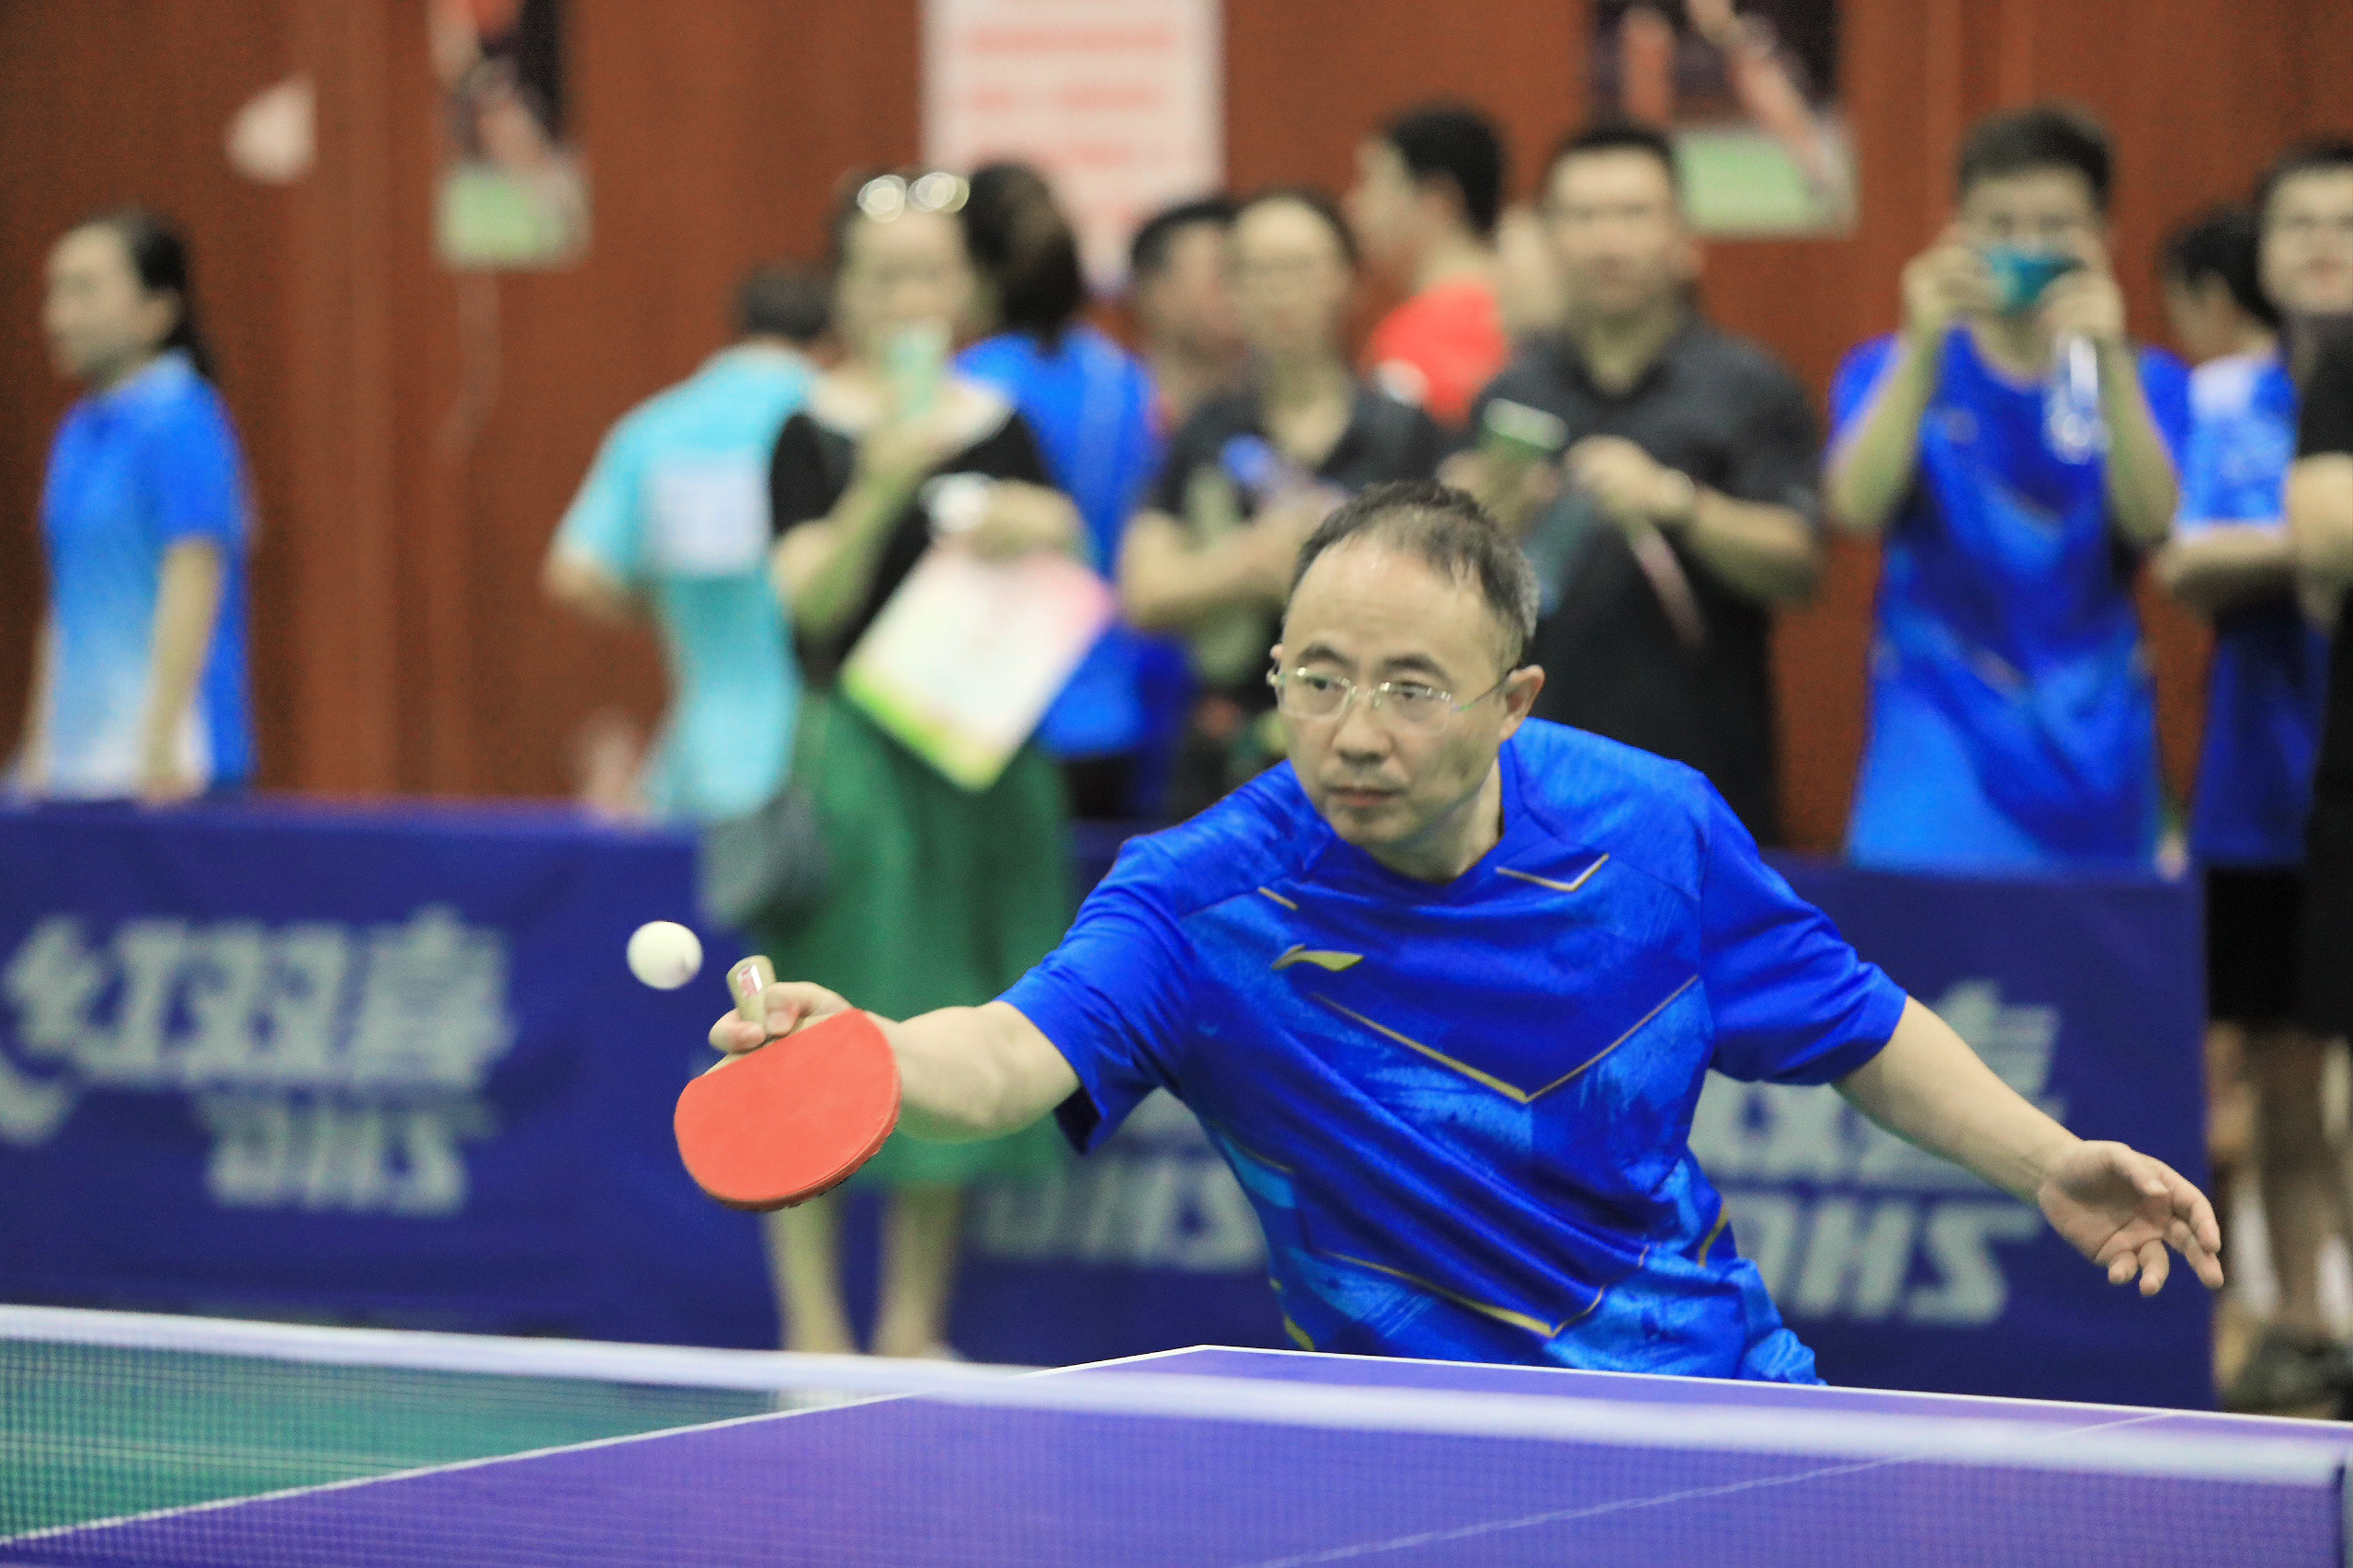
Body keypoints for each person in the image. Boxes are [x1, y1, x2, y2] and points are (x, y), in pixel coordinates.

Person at [710, 481, 2223, 1380]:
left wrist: (2047, 1161)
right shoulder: (1198, 898)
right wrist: (867, 1051)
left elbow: (1860, 1030)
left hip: (1707, 1397)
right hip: (1408, 1454)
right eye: (1316, 679)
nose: (1355, 731)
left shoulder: (1653, 828)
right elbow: (1001, 1058)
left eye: (1410, 688)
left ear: (1515, 702)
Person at [758, 170, 1081, 1358]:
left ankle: (911, 1326)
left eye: (931, 275)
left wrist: (1038, 524)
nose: (909, 298)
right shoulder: (809, 431)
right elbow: (809, 602)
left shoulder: (1001, 424)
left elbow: (1069, 550)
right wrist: (888, 476)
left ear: (968, 290)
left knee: (946, 1023)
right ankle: (811, 1330)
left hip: (980, 759)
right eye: (885, 275)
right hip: (855, 769)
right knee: (811, 1035)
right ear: (844, 290)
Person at [1826, 104, 2188, 873]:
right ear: (1958, 231)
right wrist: (1921, 346)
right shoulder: (1888, 367)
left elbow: (2154, 524)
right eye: (1999, 224)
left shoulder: (2148, 379)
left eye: (2055, 226)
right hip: (1934, 750)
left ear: (2104, 237)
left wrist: (2110, 361)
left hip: (2096, 754)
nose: (2025, 247)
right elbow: (1855, 508)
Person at [1460, 122, 1823, 844]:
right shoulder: (1509, 397)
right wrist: (1480, 520)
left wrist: (1679, 504)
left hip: (1702, 783)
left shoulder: (1750, 387)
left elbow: (1801, 567)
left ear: (1684, 239)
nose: (1608, 241)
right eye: (1583, 217)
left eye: (1633, 214)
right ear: (1549, 237)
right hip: (1528, 784)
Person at [2157, 158, 2353, 1413]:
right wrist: (2317, 538)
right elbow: (2187, 563)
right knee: (2275, 1071)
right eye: (2300, 222)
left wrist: (2275, 545)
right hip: (2261, 789)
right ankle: (2298, 1321)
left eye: (2348, 222)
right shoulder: (2223, 395)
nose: (2323, 242)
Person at [1120, 188, 1444, 820]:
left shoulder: (1404, 431)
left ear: (1347, 281)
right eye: (1258, 271)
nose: (1280, 292)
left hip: (1381, 748)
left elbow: (1452, 589)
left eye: (1299, 268)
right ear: (1232, 290)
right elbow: (1144, 593)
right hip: (1228, 751)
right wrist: (1247, 564)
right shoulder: (1205, 431)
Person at [542, 262, 827, 824]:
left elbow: (572, 575)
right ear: (829, 338)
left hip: (701, 758)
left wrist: (671, 604)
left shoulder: (657, 428)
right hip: (821, 755)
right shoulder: (835, 420)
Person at [14, 209, 255, 802]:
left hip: (172, 769)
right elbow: (67, 601)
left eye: (85, 290)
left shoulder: (184, 420)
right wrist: (40, 744)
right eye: (54, 292)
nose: (58, 317)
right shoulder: (76, 432)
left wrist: (162, 743)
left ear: (157, 311)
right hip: (80, 766)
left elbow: (194, 575)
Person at [955, 164, 1163, 819]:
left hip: (1000, 713)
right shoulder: (1124, 377)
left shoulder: (968, 387)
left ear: (975, 272)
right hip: (1113, 704)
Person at [1347, 103, 1513, 430]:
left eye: (1370, 184)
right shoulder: (1527, 314)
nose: (1353, 205)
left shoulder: (1408, 343)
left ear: (1436, 201)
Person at [1127, 197, 1245, 434]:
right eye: (1222, 273)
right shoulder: (1103, 414)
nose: (1240, 291)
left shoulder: (1282, 414)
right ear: (1153, 289)